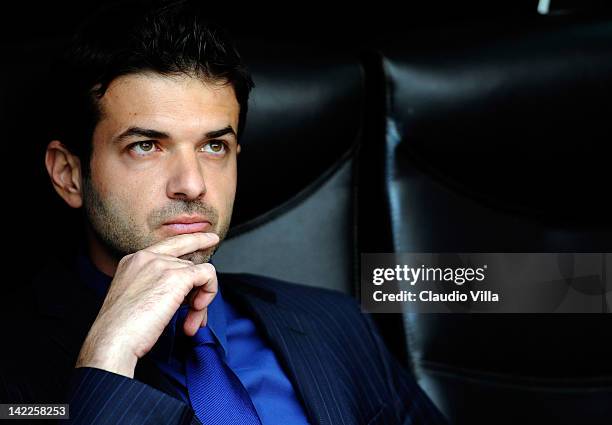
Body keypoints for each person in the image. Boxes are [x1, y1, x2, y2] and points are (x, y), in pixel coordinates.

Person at [0, 1, 447, 424]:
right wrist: (106, 361)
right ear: (69, 174)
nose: (192, 184)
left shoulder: (334, 322)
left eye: (214, 146)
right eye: (146, 146)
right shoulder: (18, 371)